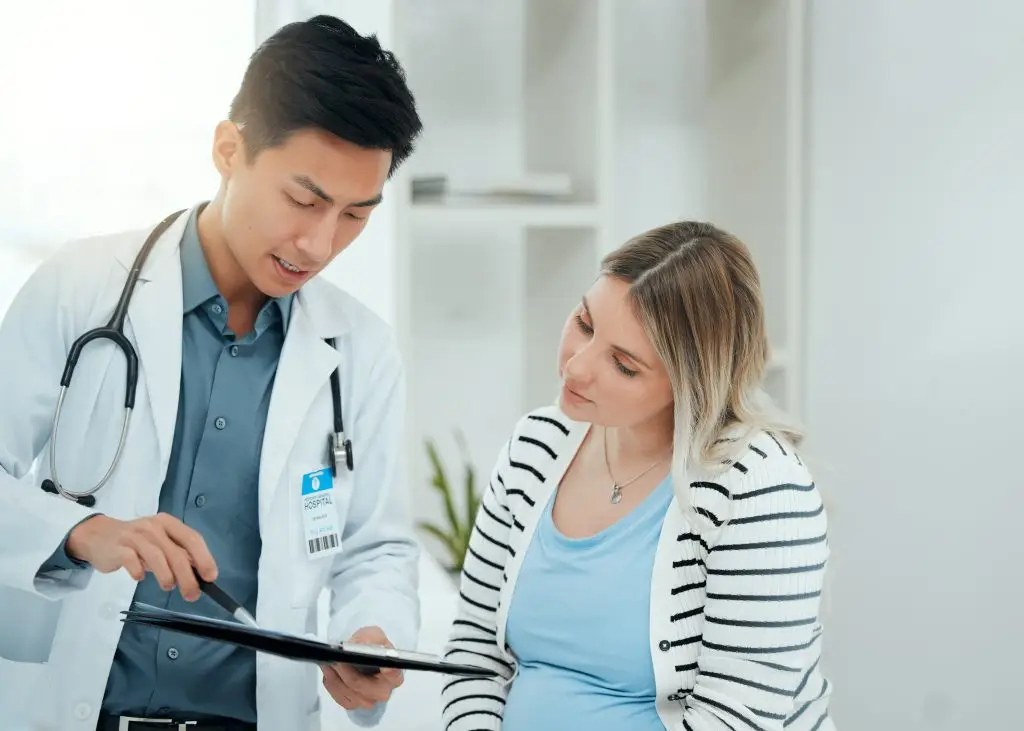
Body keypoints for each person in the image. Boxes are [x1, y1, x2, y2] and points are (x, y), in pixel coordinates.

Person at [0, 15, 423, 731]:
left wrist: (371, 633)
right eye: (304, 199)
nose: (320, 243)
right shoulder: (80, 287)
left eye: (355, 214)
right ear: (229, 149)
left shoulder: (360, 349)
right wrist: (83, 531)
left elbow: (374, 545)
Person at [440, 221, 835, 730]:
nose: (577, 368)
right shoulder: (537, 444)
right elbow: (474, 653)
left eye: (623, 365)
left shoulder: (760, 490)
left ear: (692, 380)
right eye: (584, 323)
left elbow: (734, 720)